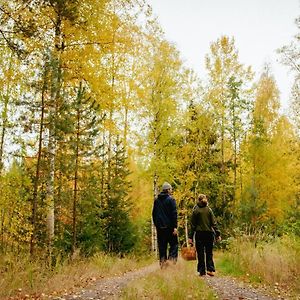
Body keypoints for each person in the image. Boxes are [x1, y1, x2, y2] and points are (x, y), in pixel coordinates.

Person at [188, 194, 221, 276]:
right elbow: (214, 223)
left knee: (200, 253)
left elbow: (192, 225)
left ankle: (202, 271)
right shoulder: (209, 210)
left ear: (198, 200)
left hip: (199, 234)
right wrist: (218, 234)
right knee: (209, 252)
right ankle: (210, 269)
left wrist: (190, 237)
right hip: (209, 234)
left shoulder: (195, 211)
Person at [152, 182, 178, 268]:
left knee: (162, 247)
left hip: (160, 228)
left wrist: (157, 225)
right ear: (168, 190)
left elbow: (154, 214)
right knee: (174, 245)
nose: (171, 191)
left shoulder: (156, 200)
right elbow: (174, 214)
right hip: (170, 228)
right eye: (171, 189)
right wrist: (175, 227)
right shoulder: (171, 200)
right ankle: (171, 262)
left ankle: (163, 265)